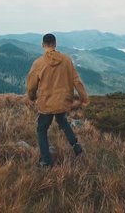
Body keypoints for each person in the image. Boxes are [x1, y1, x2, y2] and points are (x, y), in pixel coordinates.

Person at [26, 33, 90, 167]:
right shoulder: (67, 60)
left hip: (46, 103)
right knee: (63, 122)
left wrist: (32, 97)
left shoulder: (38, 63)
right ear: (55, 44)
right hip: (62, 101)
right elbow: (77, 81)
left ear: (43, 45)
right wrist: (85, 99)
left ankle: (46, 161)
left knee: (42, 129)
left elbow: (31, 86)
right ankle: (75, 146)